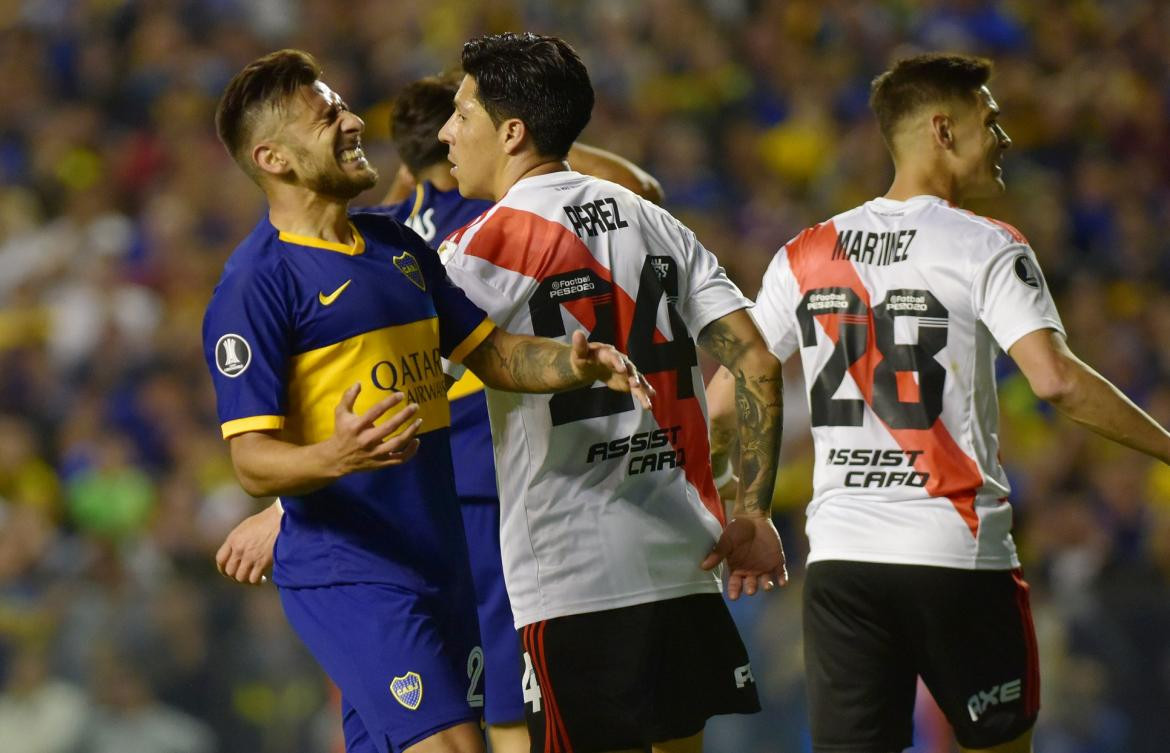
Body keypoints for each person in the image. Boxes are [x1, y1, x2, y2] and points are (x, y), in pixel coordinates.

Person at [709, 52, 1170, 753]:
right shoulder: (985, 245)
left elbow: (723, 398)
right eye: (992, 121)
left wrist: (744, 508)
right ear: (943, 131)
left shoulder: (803, 252)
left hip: (841, 563)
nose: (1006, 139)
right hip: (956, 557)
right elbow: (1058, 382)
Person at [203, 49, 652, 753]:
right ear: (274, 158)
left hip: (441, 561)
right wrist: (336, 454)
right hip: (350, 567)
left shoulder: (396, 246)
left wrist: (571, 362)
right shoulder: (256, 285)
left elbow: (493, 354)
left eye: (342, 106)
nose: (354, 122)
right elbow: (253, 462)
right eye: (328, 118)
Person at [437, 32, 786, 753]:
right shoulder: (656, 221)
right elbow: (753, 356)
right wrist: (750, 508)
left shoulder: (478, 251)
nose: (447, 131)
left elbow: (408, 400)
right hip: (684, 556)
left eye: (462, 113)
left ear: (511, 131)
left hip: (574, 573)